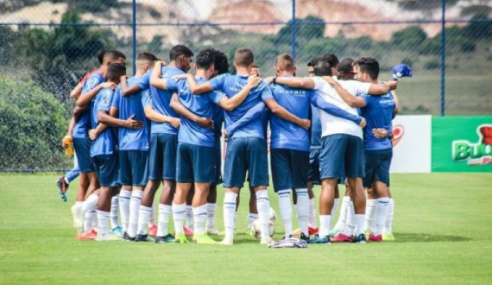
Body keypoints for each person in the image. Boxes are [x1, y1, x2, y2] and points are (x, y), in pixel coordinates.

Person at [181, 48, 310, 245]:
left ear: (234, 64)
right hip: (257, 139)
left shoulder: (224, 80)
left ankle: (229, 236)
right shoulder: (259, 84)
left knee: (232, 188)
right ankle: (265, 236)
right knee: (260, 188)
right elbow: (273, 108)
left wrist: (188, 77)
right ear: (252, 65)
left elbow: (198, 88)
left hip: (235, 140)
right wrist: (301, 121)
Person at [270, 59, 394, 244]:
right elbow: (381, 89)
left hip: (334, 134)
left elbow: (301, 82)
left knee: (328, 183)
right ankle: (360, 233)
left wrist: (273, 79)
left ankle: (323, 234)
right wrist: (392, 82)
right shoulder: (354, 84)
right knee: (356, 183)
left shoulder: (320, 83)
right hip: (356, 135)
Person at [152, 49, 262, 244]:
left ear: (195, 66)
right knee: (202, 188)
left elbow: (162, 90)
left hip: (183, 141)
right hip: (202, 143)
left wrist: (158, 66)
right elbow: (228, 105)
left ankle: (179, 233)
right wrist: (249, 87)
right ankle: (199, 233)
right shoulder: (211, 89)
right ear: (212, 69)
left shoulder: (181, 81)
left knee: (181, 189)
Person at [120, 45, 194, 243]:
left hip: (154, 133)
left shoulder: (153, 73)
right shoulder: (181, 77)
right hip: (172, 133)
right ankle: (161, 232)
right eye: (189, 60)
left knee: (152, 182)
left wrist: (121, 78)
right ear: (182, 58)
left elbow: (129, 91)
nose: (191, 65)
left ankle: (141, 231)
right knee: (169, 183)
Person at [85, 63, 143, 241]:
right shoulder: (109, 92)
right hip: (106, 146)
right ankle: (102, 230)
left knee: (111, 188)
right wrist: (125, 123)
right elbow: (102, 116)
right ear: (119, 77)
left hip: (101, 146)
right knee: (109, 189)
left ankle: (89, 216)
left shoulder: (102, 92)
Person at [71, 50, 125, 234]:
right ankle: (87, 223)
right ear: (110, 64)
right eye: (120, 64)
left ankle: (88, 225)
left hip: (90, 133)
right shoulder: (97, 80)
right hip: (89, 134)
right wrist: (100, 88)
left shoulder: (103, 82)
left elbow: (75, 93)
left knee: (90, 180)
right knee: (97, 182)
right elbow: (78, 102)